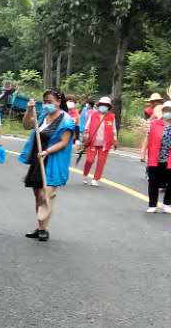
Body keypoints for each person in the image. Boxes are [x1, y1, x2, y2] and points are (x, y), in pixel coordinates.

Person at [19, 94, 76, 242]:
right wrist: (29, 110)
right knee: (38, 196)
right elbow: (27, 125)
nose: (46, 104)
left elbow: (64, 142)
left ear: (58, 102)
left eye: (49, 102)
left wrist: (47, 151)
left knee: (46, 195)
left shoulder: (66, 120)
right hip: (38, 158)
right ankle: (40, 227)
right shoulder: (43, 115)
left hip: (53, 160)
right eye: (44, 102)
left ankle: (44, 229)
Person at [140, 99, 171, 212]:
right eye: (166, 110)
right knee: (153, 182)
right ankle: (152, 205)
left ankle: (167, 204)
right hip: (155, 157)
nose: (168, 112)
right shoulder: (154, 124)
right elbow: (148, 138)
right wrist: (143, 152)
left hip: (170, 158)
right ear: (163, 111)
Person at [78, 96, 117, 186]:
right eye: (102, 104)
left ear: (108, 107)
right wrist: (85, 137)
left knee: (101, 162)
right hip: (93, 142)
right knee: (89, 160)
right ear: (99, 105)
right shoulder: (93, 114)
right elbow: (87, 127)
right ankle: (85, 174)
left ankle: (95, 179)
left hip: (105, 144)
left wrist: (115, 141)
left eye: (106, 105)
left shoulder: (111, 117)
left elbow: (114, 130)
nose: (103, 106)